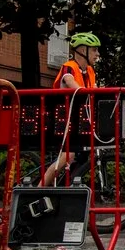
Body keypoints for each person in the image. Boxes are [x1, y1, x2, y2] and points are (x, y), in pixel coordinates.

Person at [43, 32, 100, 186]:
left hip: (78, 121)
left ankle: (67, 188)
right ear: (82, 50)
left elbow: (96, 90)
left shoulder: (90, 71)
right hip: (61, 120)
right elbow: (69, 81)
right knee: (67, 156)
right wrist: (84, 91)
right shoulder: (69, 67)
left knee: (82, 154)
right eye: (94, 50)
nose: (97, 54)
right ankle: (37, 190)